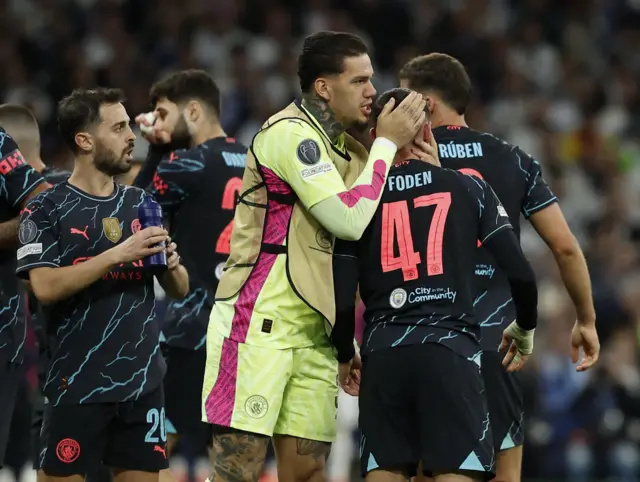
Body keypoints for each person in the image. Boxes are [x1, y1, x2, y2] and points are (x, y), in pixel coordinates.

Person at [202, 30, 426, 482]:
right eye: (360, 81)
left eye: (372, 80)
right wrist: (385, 143)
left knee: (308, 472)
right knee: (236, 472)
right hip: (257, 325)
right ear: (324, 87)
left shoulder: (347, 151)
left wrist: (344, 341)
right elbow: (348, 219)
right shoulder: (290, 135)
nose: (372, 92)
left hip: (315, 337)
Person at [399, 53, 600, 482]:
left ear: (427, 105)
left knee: (421, 473)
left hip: (422, 339)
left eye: (405, 99)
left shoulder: (399, 162)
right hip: (496, 343)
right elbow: (565, 248)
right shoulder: (513, 159)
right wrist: (585, 318)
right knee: (505, 475)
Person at [331, 87, 539, 482]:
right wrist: (524, 327)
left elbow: (342, 304)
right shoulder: (469, 188)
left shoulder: (357, 204)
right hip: (451, 353)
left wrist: (346, 352)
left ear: (376, 138)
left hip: (384, 355)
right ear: (428, 133)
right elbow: (522, 274)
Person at [15, 87, 189, 482]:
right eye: (119, 127)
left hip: (143, 384)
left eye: (130, 126)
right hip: (76, 384)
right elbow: (44, 287)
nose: (131, 136)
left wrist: (173, 265)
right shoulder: (45, 208)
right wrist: (117, 254)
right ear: (85, 140)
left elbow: (179, 289)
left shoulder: (140, 204)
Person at [132, 69, 249, 465]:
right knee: (233, 452)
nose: (157, 124)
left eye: (163, 115)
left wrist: (155, 150)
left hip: (193, 329)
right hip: (246, 332)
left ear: (194, 111)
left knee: (159, 445)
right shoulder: (256, 162)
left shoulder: (185, 163)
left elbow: (130, 215)